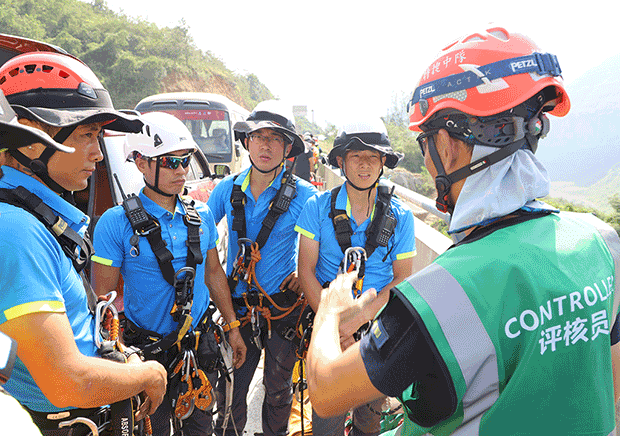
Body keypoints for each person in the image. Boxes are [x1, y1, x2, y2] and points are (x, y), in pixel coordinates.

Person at [307, 27, 620, 436]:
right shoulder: (601, 241)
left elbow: (326, 390)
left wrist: (330, 310)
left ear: (448, 144)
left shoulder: (446, 291)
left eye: (426, 145)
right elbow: (610, 385)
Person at [0, 53, 167, 435]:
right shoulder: (18, 231)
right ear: (29, 139)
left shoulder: (38, 221)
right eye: (86, 135)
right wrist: (148, 374)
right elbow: (66, 381)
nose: (97, 153)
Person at [91, 111, 246, 436]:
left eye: (185, 160)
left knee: (200, 429)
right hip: (147, 354)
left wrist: (232, 326)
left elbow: (214, 274)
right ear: (142, 163)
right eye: (170, 162)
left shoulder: (201, 214)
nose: (182, 170)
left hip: (199, 347)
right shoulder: (115, 223)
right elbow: (103, 304)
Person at [296, 119, 415, 436]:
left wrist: (358, 319)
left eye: (373, 157)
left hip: (376, 330)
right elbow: (305, 269)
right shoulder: (317, 207)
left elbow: (402, 279)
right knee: (327, 419)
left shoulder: (400, 217)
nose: (365, 165)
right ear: (340, 161)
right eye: (356, 156)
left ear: (383, 164)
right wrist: (331, 323)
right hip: (327, 326)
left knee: (370, 420)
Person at [207, 100, 318, 436]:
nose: (266, 145)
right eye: (259, 137)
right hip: (238, 308)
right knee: (231, 391)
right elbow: (199, 234)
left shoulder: (306, 196)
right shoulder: (227, 190)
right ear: (247, 142)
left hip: (282, 309)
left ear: (287, 149)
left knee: (279, 389)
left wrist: (305, 274)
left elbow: (324, 247)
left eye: (275, 138)